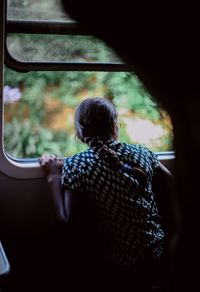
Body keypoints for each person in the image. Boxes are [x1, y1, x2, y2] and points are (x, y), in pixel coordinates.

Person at [39, 97, 173, 291]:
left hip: (123, 264)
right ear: (114, 126)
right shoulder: (144, 153)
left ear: (79, 133)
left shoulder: (77, 165)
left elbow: (66, 219)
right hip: (160, 253)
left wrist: (52, 174)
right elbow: (174, 186)